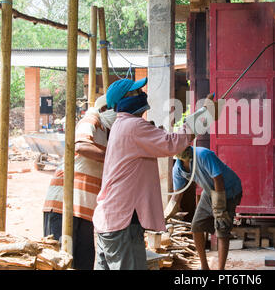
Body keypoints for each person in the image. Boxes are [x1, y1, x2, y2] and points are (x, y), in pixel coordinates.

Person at [92, 78, 216, 270]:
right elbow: (174, 143)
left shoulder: (122, 125)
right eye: (136, 92)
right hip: (122, 222)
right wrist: (207, 114)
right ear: (123, 101)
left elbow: (165, 141)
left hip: (111, 219)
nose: (142, 94)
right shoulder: (133, 126)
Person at [43, 94, 117, 270]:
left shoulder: (109, 132)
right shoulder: (92, 120)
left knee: (83, 262)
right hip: (64, 205)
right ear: (105, 109)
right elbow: (81, 146)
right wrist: (115, 157)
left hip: (85, 209)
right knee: (59, 261)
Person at [165, 145, 243, 270]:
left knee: (222, 229)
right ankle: (204, 266)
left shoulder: (203, 155)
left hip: (228, 190)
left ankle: (221, 270)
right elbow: (177, 196)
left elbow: (218, 179)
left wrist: (219, 207)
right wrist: (166, 215)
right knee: (196, 226)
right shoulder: (177, 169)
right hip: (209, 191)